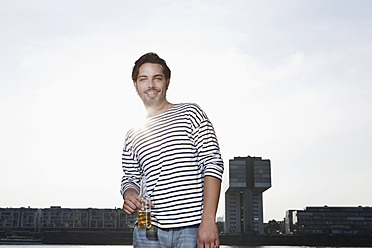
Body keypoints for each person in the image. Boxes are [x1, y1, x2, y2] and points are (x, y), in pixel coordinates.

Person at [120, 52, 224, 248]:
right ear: (135, 85)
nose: (150, 85)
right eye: (144, 79)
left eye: (157, 78)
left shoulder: (191, 113)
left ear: (167, 82)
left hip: (191, 229)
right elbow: (129, 178)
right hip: (147, 230)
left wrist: (209, 221)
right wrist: (129, 195)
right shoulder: (133, 132)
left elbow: (212, 163)